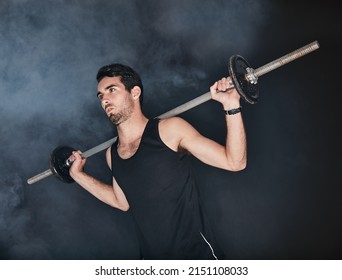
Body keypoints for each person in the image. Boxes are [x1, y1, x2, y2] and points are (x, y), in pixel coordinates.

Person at [68, 63, 247, 259]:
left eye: (112, 90)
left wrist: (231, 106)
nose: (105, 100)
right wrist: (78, 175)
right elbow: (121, 202)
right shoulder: (112, 154)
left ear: (135, 93)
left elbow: (234, 162)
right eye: (101, 95)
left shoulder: (169, 130)